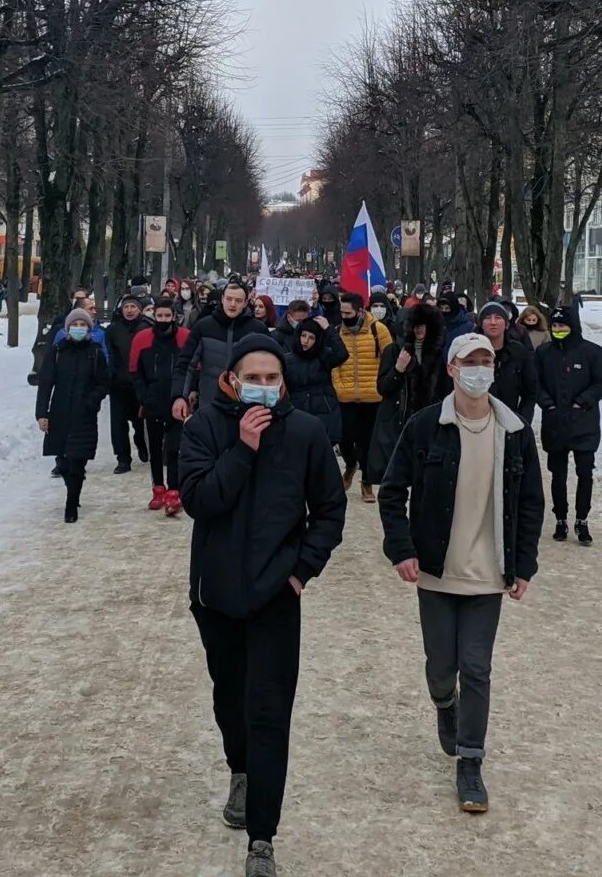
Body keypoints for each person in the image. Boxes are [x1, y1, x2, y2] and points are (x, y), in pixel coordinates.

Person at [177, 334, 347, 877]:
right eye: (254, 378)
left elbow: (329, 509)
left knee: (269, 713)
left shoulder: (305, 432)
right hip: (217, 595)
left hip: (277, 596)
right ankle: (239, 770)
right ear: (231, 379)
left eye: (273, 379)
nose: (264, 387)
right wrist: (242, 450)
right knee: (230, 699)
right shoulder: (205, 426)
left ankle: (262, 838)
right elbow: (199, 500)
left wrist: (300, 572)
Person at [378, 331, 542, 816]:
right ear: (451, 369)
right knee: (440, 666)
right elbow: (392, 490)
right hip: (435, 571)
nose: (479, 369)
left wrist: (524, 565)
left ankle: (470, 762)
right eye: (469, 361)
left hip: (489, 574)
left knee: (477, 668)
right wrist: (401, 549)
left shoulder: (513, 432)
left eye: (486, 360)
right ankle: (443, 705)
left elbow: (531, 502)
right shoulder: (426, 426)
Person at [533, 305, 602, 545]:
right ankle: (560, 518)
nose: (558, 330)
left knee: (585, 473)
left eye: (563, 326)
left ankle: (582, 519)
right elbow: (535, 383)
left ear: (573, 326)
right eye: (554, 326)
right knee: (558, 474)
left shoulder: (592, 352)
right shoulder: (544, 353)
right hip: (555, 423)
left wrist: (583, 402)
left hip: (584, 424)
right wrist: (547, 404)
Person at [36, 307, 111, 522]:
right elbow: (46, 384)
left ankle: (71, 503)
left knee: (78, 460)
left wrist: (92, 400)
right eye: (75, 325)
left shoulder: (95, 352)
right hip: (59, 413)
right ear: (68, 328)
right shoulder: (57, 351)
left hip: (84, 415)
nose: (79, 329)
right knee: (64, 460)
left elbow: (104, 382)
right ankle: (73, 489)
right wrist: (42, 413)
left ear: (89, 328)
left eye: (83, 325)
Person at [365, 302, 450, 493]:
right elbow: (382, 388)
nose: (419, 330)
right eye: (415, 325)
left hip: (428, 418)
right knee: (396, 474)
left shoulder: (438, 354)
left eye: (423, 325)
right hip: (398, 418)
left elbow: (445, 389)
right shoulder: (394, 351)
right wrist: (398, 369)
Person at [175, 281, 271, 421]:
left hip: (247, 407)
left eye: (238, 300)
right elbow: (186, 364)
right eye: (229, 299)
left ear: (245, 303)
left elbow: (270, 368)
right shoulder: (204, 326)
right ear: (222, 299)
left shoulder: (258, 330)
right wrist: (179, 396)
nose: (232, 304)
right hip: (210, 404)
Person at [131, 296, 191, 514]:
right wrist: (144, 396)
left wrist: (186, 395)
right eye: (160, 316)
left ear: (175, 316)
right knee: (155, 447)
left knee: (174, 448)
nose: (164, 319)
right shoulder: (142, 338)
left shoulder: (185, 337)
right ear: (154, 316)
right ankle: (158, 487)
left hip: (177, 401)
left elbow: (193, 367)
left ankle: (174, 490)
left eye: (168, 316)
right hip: (152, 400)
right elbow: (134, 371)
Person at [331, 291, 393, 502]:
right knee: (344, 438)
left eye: (347, 312)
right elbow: (334, 362)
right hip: (345, 395)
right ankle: (350, 465)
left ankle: (367, 482)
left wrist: (381, 386)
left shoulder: (379, 330)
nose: (344, 315)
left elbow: (389, 359)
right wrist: (338, 386)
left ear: (359, 310)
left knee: (367, 442)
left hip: (372, 396)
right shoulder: (338, 332)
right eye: (341, 312)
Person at [282, 313, 347, 446]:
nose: (305, 341)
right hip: (298, 412)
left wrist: (328, 330)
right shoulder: (287, 360)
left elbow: (342, 354)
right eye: (303, 336)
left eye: (311, 338)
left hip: (324, 411)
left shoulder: (323, 356)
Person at [105, 295, 152, 475]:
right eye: (127, 307)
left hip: (139, 385)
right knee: (118, 425)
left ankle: (141, 443)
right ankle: (123, 459)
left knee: (140, 423)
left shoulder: (147, 327)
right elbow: (107, 353)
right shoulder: (113, 329)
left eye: (133, 306)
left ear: (140, 309)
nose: (130, 310)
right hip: (118, 385)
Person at [475, 301, 538, 422]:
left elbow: (530, 391)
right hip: (476, 421)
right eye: (488, 318)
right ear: (481, 324)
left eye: (498, 318)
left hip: (510, 420)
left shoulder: (518, 352)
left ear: (507, 324)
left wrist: (523, 420)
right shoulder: (470, 351)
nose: (493, 322)